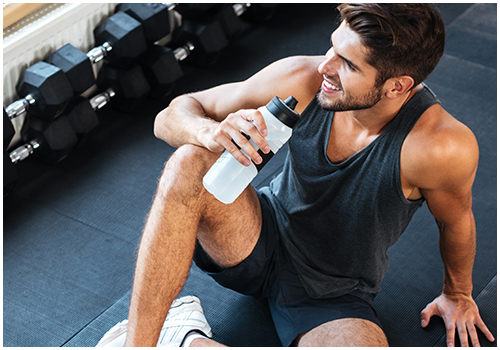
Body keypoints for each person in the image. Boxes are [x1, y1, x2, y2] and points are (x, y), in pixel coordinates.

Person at [98, 3, 495, 347]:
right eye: (333, 47)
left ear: (398, 86)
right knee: (189, 161)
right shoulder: (302, 79)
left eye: (348, 64)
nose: (326, 66)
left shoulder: (440, 146)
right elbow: (171, 115)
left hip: (335, 293)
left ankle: (184, 336)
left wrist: (458, 294)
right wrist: (207, 132)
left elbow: (455, 219)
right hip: (256, 237)